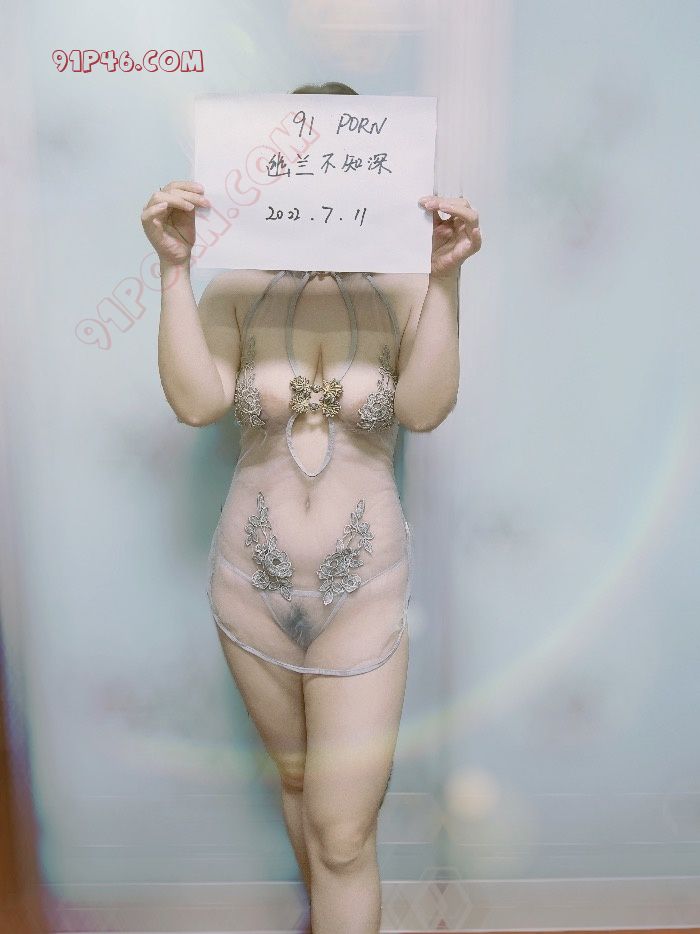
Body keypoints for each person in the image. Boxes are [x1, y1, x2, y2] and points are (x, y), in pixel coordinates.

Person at [141, 79, 481, 934]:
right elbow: (195, 401)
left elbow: (424, 410)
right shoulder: (235, 288)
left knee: (342, 834)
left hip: (362, 597)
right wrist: (174, 269)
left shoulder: (405, 288)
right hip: (247, 590)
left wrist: (445, 279)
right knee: (296, 786)